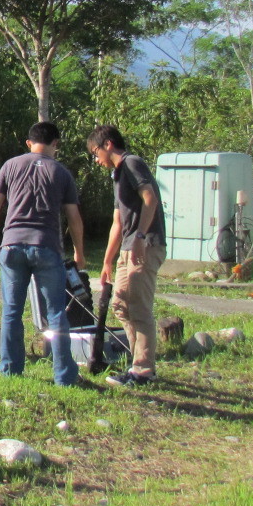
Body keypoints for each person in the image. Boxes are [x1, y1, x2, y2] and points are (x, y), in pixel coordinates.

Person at [0, 121, 86, 386]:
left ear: (29, 143)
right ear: (56, 144)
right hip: (46, 246)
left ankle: (10, 370)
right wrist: (79, 253)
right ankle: (64, 375)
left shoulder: (10, 165)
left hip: (11, 246)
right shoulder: (61, 172)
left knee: (11, 311)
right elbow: (74, 217)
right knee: (55, 313)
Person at [88, 124, 165, 387]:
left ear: (108, 144)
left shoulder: (132, 163)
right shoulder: (118, 175)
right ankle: (136, 363)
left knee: (139, 308)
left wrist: (142, 236)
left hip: (145, 245)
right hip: (127, 248)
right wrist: (107, 261)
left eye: (95, 152)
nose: (96, 159)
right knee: (120, 304)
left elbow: (150, 198)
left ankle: (144, 371)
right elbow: (117, 222)